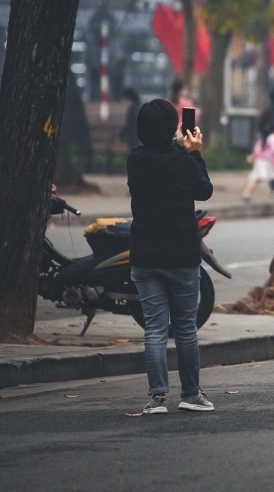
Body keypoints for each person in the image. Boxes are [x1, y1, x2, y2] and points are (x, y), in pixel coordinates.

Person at [128, 99, 215, 415]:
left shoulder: (134, 161)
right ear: (173, 129)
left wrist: (181, 151)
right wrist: (194, 153)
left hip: (145, 257)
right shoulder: (183, 161)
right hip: (180, 257)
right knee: (185, 328)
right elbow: (204, 190)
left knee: (154, 329)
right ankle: (191, 394)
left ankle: (157, 399)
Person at [242, 123, 274, 203]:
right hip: (269, 161)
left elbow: (257, 149)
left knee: (255, 178)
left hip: (259, 161)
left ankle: (246, 194)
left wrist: (253, 156)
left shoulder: (263, 137)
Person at [119, 88, 142, 152]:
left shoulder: (132, 109)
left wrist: (121, 136)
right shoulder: (138, 108)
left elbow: (128, 125)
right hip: (139, 138)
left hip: (134, 138)